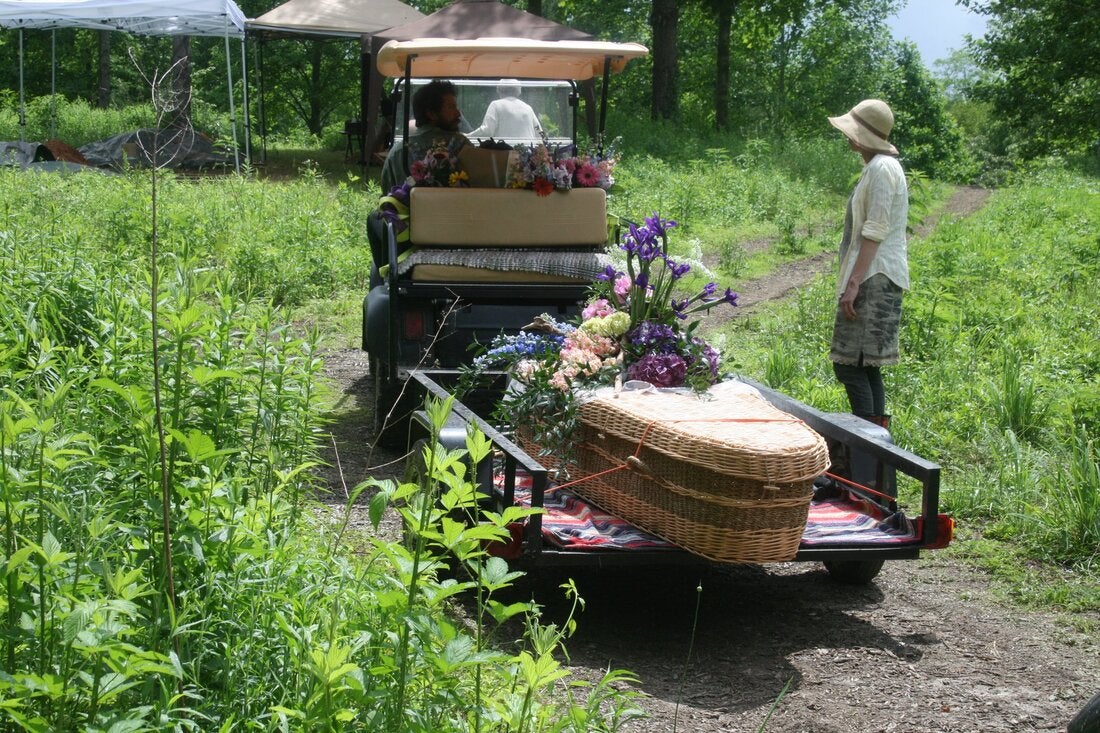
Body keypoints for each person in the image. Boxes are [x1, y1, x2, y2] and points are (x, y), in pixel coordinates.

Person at [826, 98, 909, 429]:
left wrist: (854, 282)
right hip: (877, 275)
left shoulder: (881, 169)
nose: (848, 138)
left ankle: (867, 447)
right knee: (865, 365)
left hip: (874, 277)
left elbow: (875, 230)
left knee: (850, 366)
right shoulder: (879, 167)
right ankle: (875, 452)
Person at [381, 79, 470, 192]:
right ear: (431, 114)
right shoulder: (462, 145)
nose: (458, 113)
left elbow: (387, 197)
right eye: (451, 107)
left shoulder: (397, 152)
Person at [467, 81, 542, 141]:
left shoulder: (496, 105)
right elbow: (540, 134)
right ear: (518, 91)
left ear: (499, 91)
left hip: (505, 154)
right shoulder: (527, 108)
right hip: (527, 155)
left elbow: (487, 131)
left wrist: (468, 137)